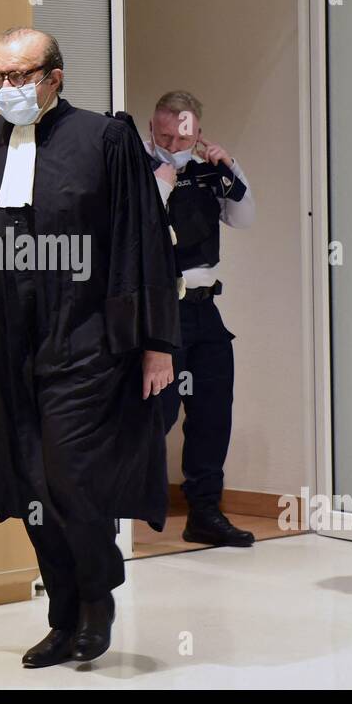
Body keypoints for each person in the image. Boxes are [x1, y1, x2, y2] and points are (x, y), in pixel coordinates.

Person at [0, 27, 181, 666]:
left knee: (72, 476)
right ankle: (62, 612)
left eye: (20, 76)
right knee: (30, 481)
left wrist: (156, 343)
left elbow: (141, 242)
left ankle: (97, 597)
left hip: (85, 338)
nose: (7, 89)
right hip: (1, 341)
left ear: (54, 77)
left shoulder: (105, 139)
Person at [147, 91, 257, 547]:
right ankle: (136, 509)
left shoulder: (212, 172)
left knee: (213, 410)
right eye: (162, 133)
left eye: (180, 134)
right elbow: (134, 228)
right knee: (157, 413)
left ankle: (205, 512)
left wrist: (230, 165)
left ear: (196, 130)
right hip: (161, 310)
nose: (170, 142)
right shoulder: (139, 168)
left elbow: (244, 217)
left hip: (204, 308)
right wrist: (163, 183)